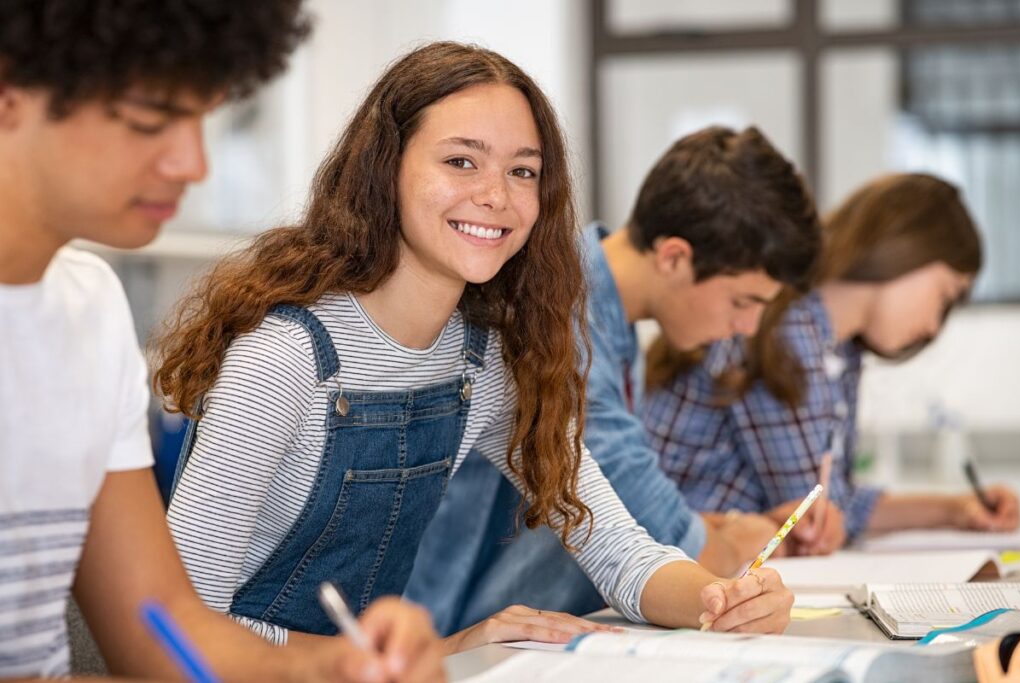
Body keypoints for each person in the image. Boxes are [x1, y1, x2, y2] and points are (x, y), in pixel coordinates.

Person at [155, 42, 795, 654]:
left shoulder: (486, 362)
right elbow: (178, 622)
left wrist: (721, 599)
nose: (497, 195)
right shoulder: (285, 358)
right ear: (386, 168)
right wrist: (435, 652)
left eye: (523, 171)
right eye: (461, 161)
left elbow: (618, 548)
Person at [0, 2, 442, 681]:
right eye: (152, 120)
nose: (193, 163)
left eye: (204, 117)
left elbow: (160, 626)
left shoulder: (86, 310)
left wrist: (335, 666)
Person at [406, 125, 837, 638]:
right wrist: (731, 544)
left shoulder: (610, 314)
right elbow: (636, 506)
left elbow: (608, 516)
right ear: (675, 257)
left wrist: (728, 528)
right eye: (744, 302)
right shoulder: (559, 310)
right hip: (456, 623)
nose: (746, 328)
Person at [642, 173, 1020, 545]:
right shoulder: (784, 331)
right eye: (944, 295)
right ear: (905, 249)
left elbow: (834, 502)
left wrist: (957, 510)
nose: (934, 327)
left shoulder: (836, 348)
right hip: (670, 562)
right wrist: (947, 510)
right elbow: (816, 517)